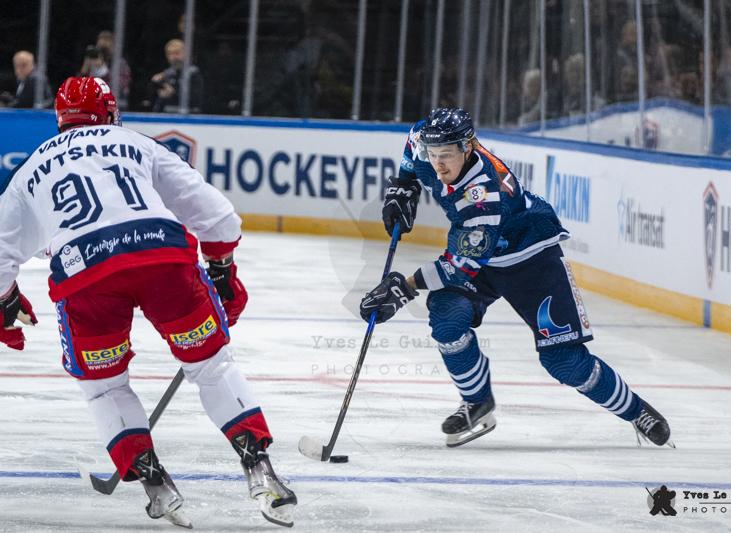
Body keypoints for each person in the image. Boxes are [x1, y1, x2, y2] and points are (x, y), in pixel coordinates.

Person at [0, 77, 296, 528]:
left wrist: (5, 301)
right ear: (111, 111)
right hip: (162, 257)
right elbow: (218, 216)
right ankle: (260, 469)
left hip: (85, 275)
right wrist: (221, 271)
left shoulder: (30, 169)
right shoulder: (134, 142)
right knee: (212, 365)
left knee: (105, 386)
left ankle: (157, 486)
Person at [360, 107, 672, 449]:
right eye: (433, 156)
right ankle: (476, 401)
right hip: (479, 252)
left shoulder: (483, 194)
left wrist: (403, 288)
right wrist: (403, 187)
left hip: (531, 258)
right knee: (448, 319)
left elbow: (461, 266)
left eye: (446, 156)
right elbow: (413, 142)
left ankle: (636, 410)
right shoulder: (426, 140)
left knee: (564, 361)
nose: (438, 166)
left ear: (469, 147)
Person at [149, 39, 203, 113]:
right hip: (167, 117)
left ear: (185, 54)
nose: (173, 57)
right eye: (170, 54)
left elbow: (196, 99)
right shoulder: (166, 74)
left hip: (188, 118)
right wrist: (155, 85)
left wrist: (173, 93)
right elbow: (154, 102)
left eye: (177, 53)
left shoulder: (193, 73)